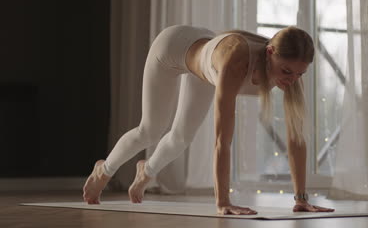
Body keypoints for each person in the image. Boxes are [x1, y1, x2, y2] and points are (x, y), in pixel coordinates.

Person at [83, 25, 335, 215]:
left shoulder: (291, 73)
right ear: (269, 53)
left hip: (206, 63)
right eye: (287, 71)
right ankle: (103, 171)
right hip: (172, 49)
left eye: (300, 73)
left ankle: (146, 172)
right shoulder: (237, 62)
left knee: (182, 138)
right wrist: (223, 202)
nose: (292, 79)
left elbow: (296, 138)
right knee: (150, 131)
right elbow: (221, 140)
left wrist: (301, 198)